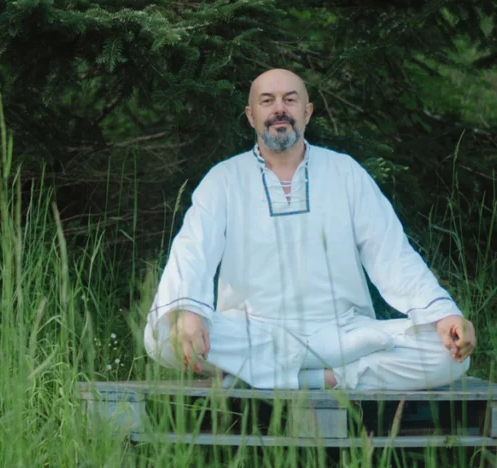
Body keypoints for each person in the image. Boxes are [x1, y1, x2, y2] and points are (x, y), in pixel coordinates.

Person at [142, 69, 476, 390]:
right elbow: (193, 251)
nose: (279, 109)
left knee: (446, 356)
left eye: (290, 99)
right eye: (267, 101)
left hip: (342, 332)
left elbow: (392, 255)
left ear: (307, 111)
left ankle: (279, 376)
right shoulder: (224, 179)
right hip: (254, 332)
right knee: (161, 337)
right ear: (251, 115)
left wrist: (443, 313)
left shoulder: (345, 172)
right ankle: (323, 375)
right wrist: (186, 311)